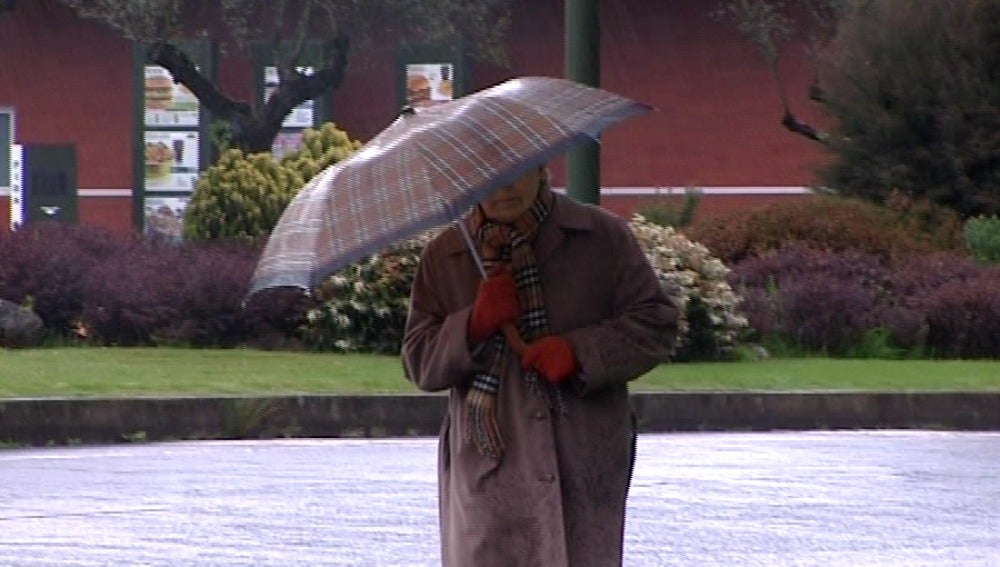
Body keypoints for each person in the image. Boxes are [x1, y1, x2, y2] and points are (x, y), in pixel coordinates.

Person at [401, 165, 679, 567]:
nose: (505, 187)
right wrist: (473, 324)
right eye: (487, 176)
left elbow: (655, 323)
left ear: (541, 165)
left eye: (516, 170)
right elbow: (418, 360)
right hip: (488, 466)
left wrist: (580, 352)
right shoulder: (446, 256)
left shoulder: (602, 238)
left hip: (582, 457)